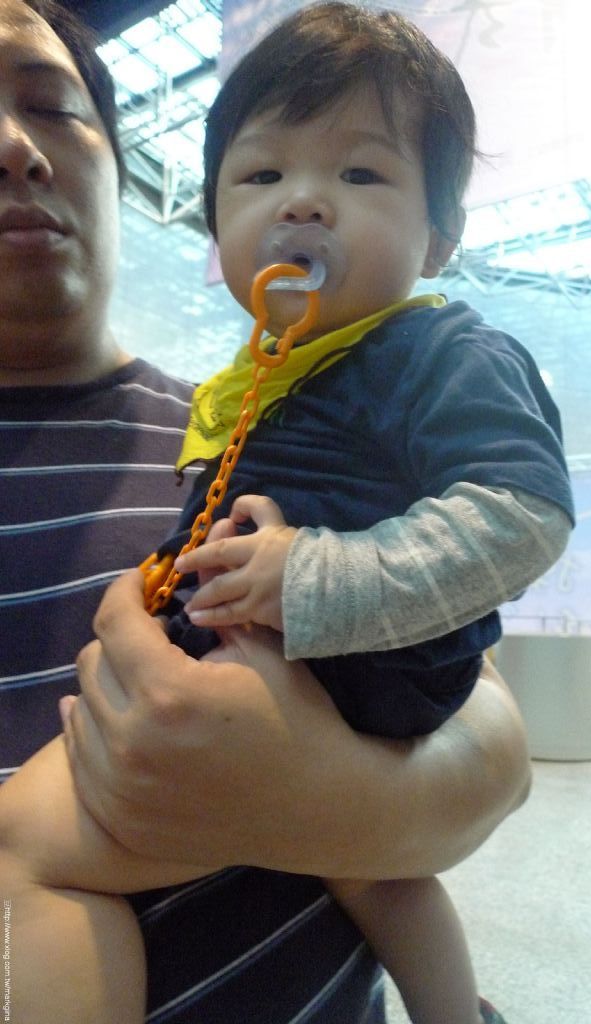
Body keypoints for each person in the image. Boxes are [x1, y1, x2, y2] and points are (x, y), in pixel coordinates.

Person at [0, 2, 534, 1023]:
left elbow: (485, 717)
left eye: (51, 106)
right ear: (216, 218)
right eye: (262, 175)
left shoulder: (284, 402)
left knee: (21, 849)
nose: (304, 203)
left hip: (313, 676)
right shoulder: (251, 404)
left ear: (117, 162)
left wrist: (327, 795)